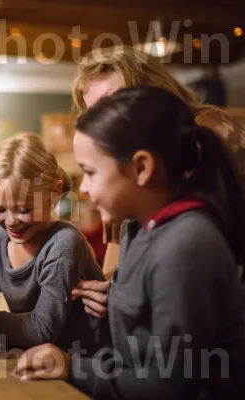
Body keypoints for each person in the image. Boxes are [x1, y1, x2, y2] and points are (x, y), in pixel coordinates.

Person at [14, 86, 245, 399]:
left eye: (90, 172)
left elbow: (170, 385)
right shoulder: (138, 230)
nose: (82, 187)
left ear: (141, 168)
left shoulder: (186, 246)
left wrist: (73, 367)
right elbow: (131, 356)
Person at [70, 45, 245, 318]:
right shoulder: (121, 167)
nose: (105, 118)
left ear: (150, 87)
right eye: (95, 111)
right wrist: (108, 291)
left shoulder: (203, 132)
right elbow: (117, 259)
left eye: (113, 100)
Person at [0, 132, 108, 355]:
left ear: (54, 194)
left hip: (84, 366)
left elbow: (42, 329)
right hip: (39, 359)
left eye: (23, 210)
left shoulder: (64, 243)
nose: (11, 221)